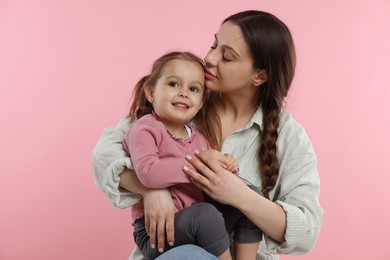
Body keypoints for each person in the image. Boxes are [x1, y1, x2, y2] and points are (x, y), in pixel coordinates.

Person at [92, 10, 323, 260]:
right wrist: (151, 189)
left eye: (227, 56)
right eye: (214, 45)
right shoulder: (182, 103)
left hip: (230, 244)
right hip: (171, 252)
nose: (210, 59)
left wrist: (239, 195)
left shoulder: (288, 136)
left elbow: (307, 229)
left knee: (248, 195)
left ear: (259, 76)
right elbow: (104, 154)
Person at [122, 51, 262, 260]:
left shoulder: (198, 137)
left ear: (202, 102)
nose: (184, 93)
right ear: (151, 92)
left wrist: (225, 167)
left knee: (249, 194)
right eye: (173, 84)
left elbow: (208, 184)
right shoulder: (145, 129)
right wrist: (202, 164)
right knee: (205, 215)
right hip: (157, 232)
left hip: (196, 222)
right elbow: (148, 173)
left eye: (193, 89)